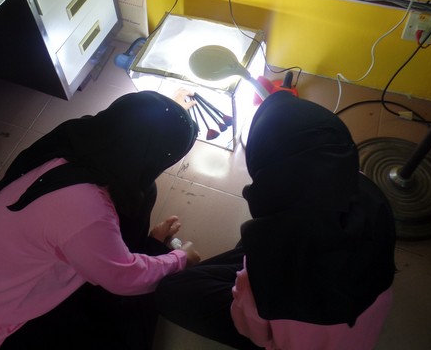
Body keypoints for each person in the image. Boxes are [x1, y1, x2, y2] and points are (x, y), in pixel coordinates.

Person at [0, 90, 201, 350]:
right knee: (128, 332)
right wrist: (179, 260)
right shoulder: (87, 210)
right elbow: (122, 278)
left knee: (144, 192)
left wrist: (171, 115)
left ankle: (136, 253)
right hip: (3, 325)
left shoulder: (77, 138)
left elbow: (137, 125)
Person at [155, 91, 396, 350]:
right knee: (252, 245)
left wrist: (247, 278)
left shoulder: (272, 273)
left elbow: (254, 329)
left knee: (170, 292)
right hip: (354, 311)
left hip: (296, 332)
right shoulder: (369, 193)